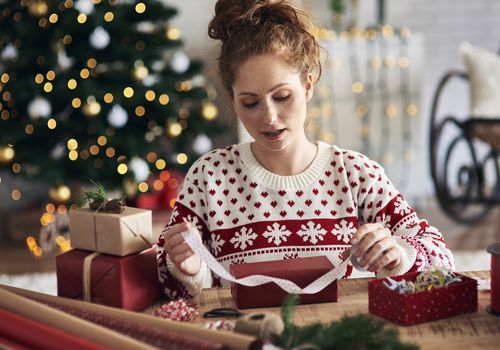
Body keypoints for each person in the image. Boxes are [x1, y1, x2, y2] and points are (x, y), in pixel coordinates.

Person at [156, 0, 454, 299]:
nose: (269, 117)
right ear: (233, 99)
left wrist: (398, 255)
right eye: (250, 103)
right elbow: (166, 282)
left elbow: (442, 260)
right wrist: (189, 268)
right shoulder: (209, 176)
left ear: (308, 86)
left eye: (282, 96)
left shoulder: (355, 174)